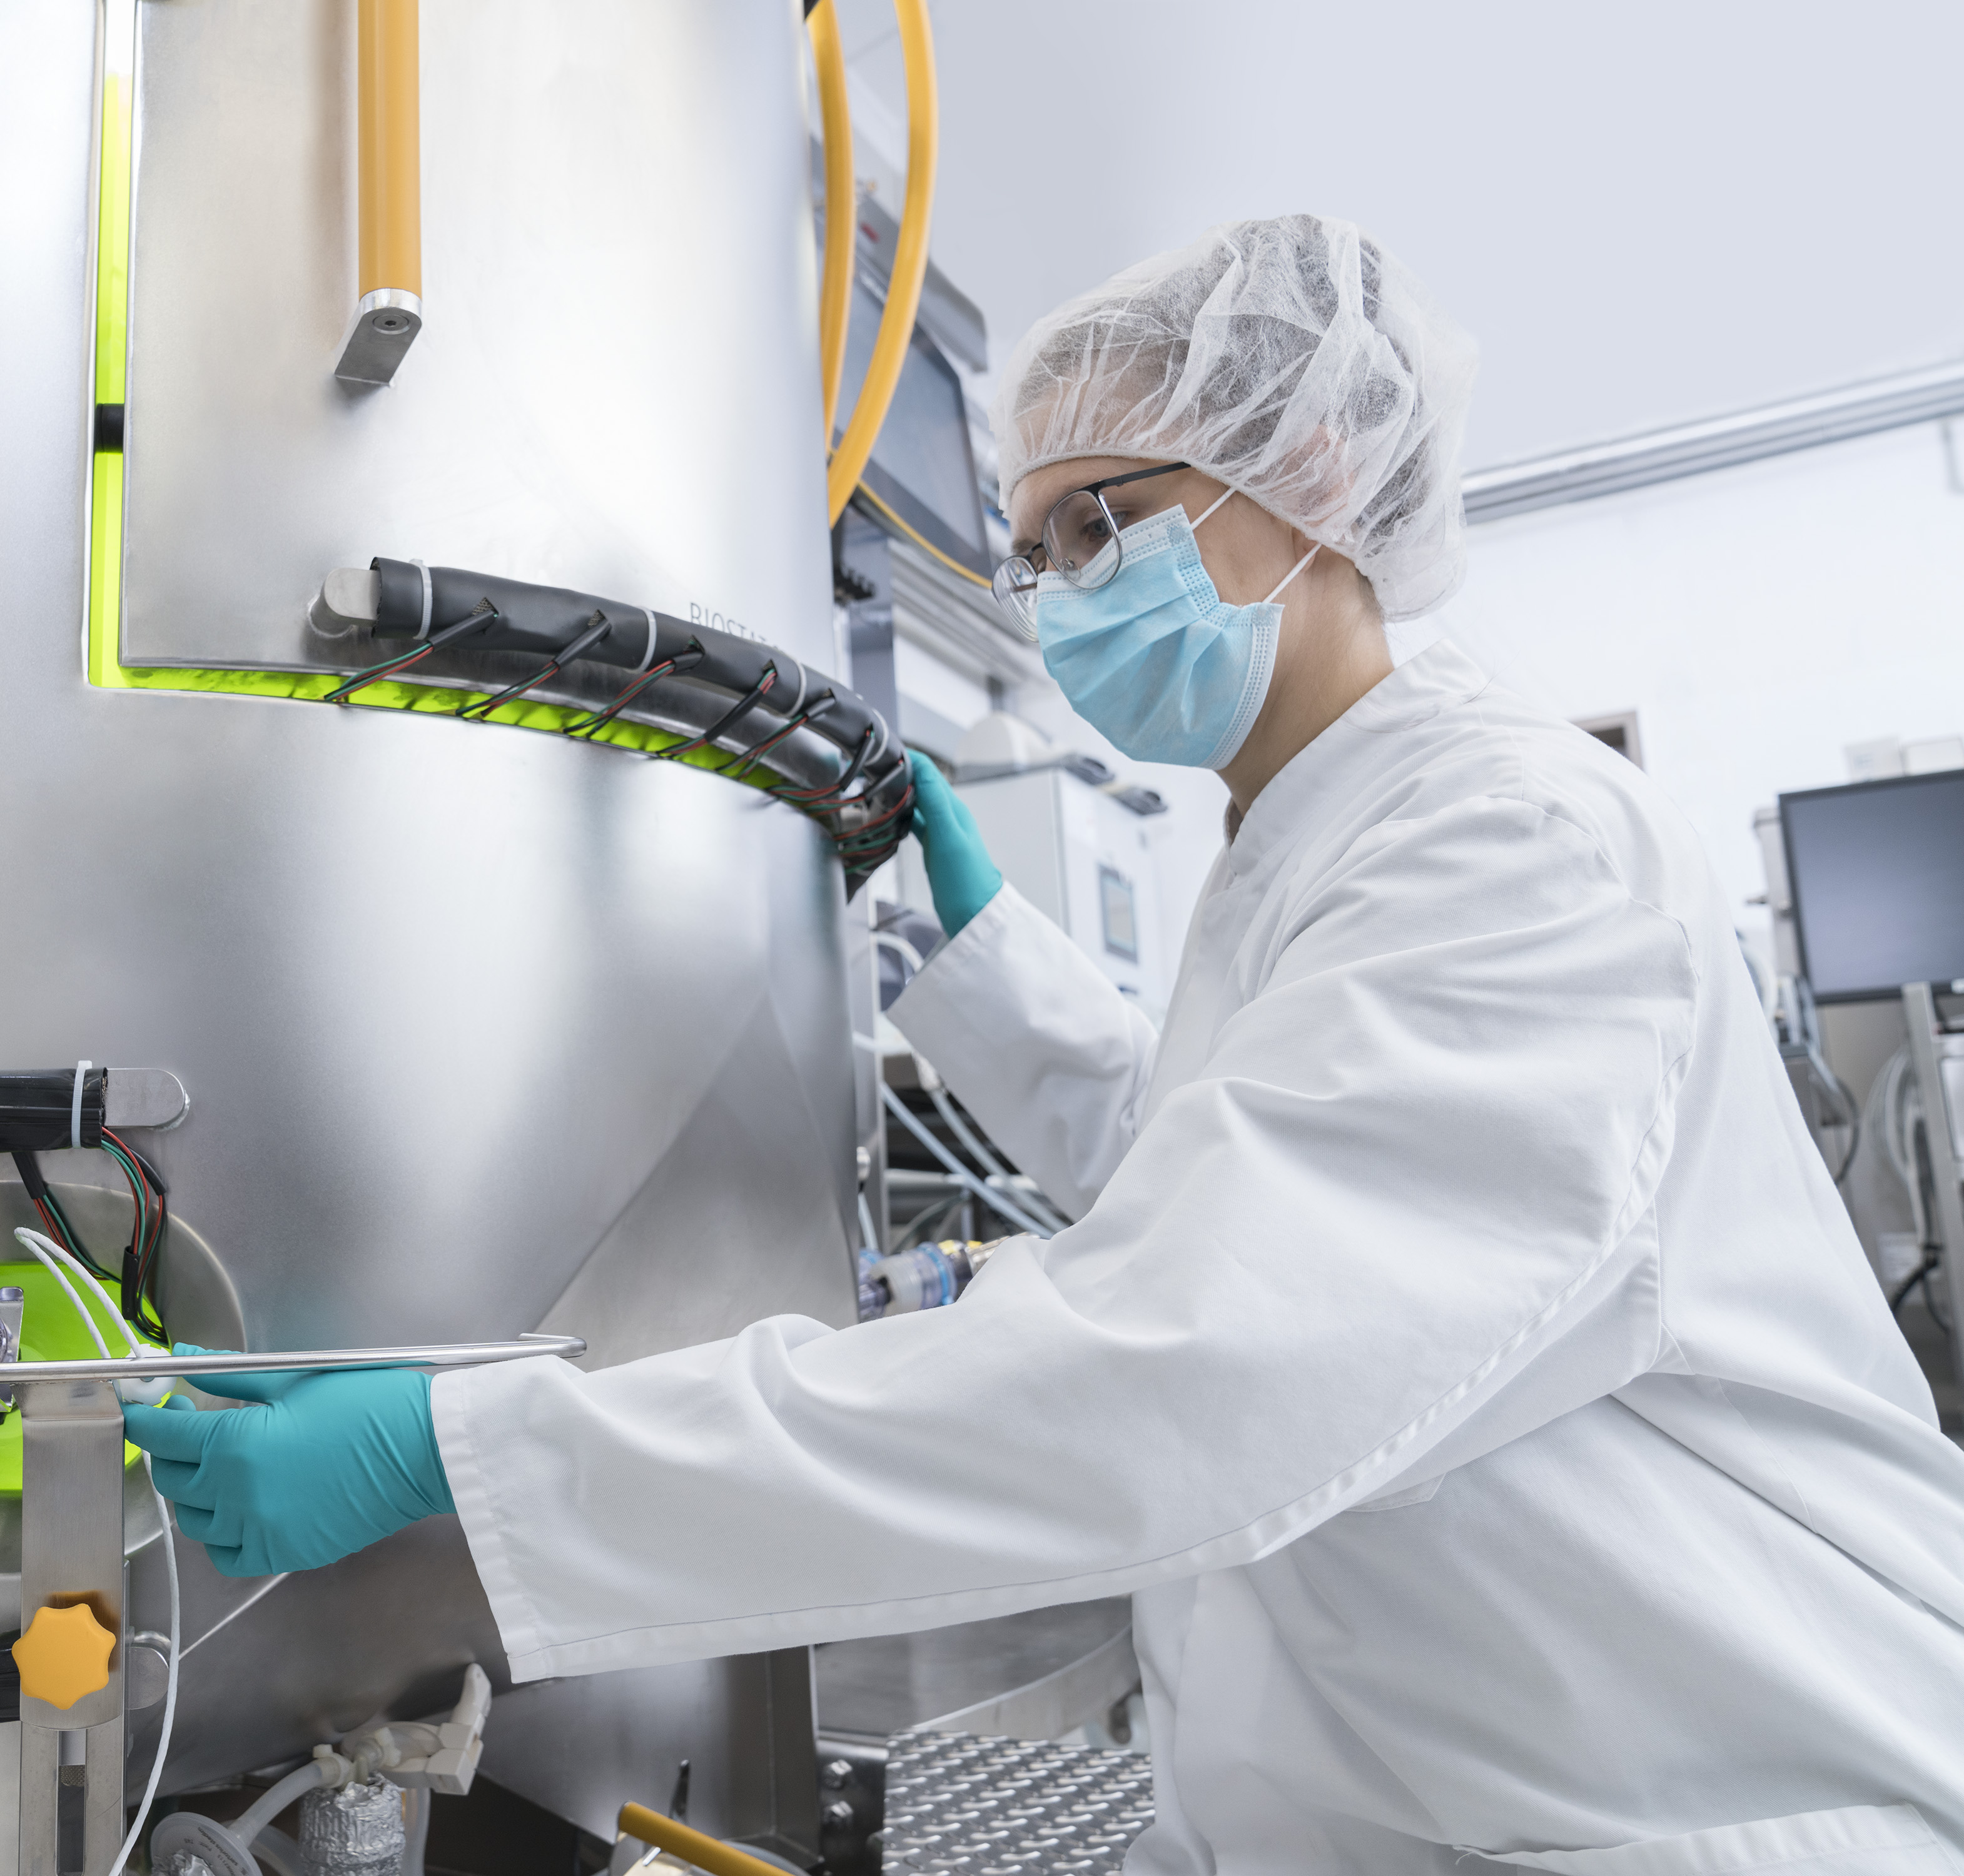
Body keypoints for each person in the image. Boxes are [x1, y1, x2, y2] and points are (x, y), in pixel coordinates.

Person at [126, 216, 1964, 1873]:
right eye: (1034, 549)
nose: (1063, 587)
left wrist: (479, 1447)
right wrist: (980, 959)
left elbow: (1196, 1365)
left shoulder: (1509, 841)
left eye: (1103, 521)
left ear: (1310, 470)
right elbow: (1230, 1180)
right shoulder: (1310, 833)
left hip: (1688, 1811)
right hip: (1412, 1806)